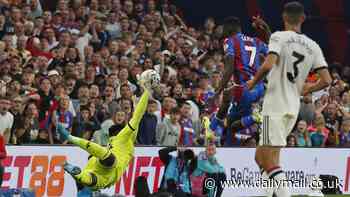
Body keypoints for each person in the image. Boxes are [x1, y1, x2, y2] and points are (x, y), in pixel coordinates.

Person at [247, 2, 332, 197]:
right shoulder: (313, 45)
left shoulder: (279, 37)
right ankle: (267, 194)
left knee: (269, 160)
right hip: (293, 107)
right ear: (303, 18)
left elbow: (268, 65)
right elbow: (327, 79)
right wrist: (310, 87)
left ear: (284, 17)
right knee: (261, 156)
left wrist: (251, 83)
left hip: (275, 104)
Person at [57, 75, 156, 193]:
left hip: (99, 168)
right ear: (121, 131)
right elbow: (137, 119)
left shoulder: (118, 141)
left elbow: (136, 120)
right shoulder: (124, 139)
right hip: (109, 177)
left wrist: (141, 99)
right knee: (95, 174)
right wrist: (147, 91)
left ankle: (79, 173)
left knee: (93, 170)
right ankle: (79, 175)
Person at [210, 16, 270, 145]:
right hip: (258, 88)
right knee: (227, 97)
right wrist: (265, 26)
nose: (223, 32)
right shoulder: (256, 41)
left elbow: (229, 68)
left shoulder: (229, 41)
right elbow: (272, 50)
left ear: (229, 29)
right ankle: (212, 131)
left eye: (224, 29)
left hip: (245, 89)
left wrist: (217, 92)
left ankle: (254, 117)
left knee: (231, 126)